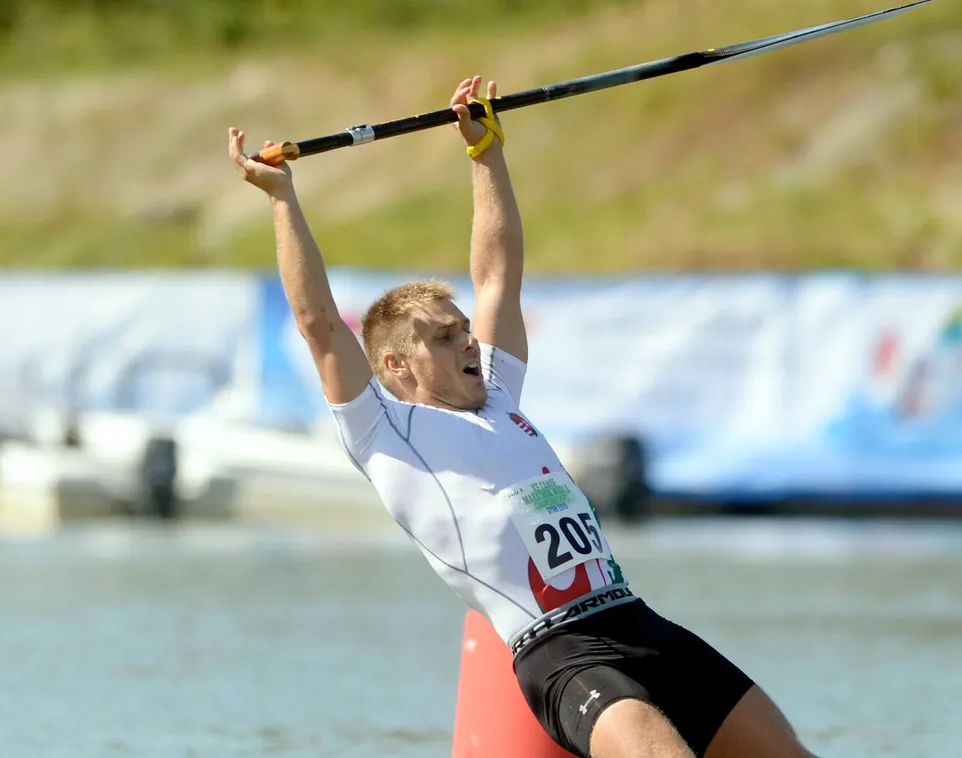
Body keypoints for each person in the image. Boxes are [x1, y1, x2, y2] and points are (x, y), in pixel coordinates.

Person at [228, 76, 816, 758]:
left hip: (640, 622)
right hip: (563, 653)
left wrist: (485, 155)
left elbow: (498, 274)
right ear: (395, 367)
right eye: (443, 338)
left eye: (462, 330)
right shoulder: (384, 433)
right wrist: (281, 201)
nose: (467, 341)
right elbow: (318, 323)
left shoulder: (500, 394)